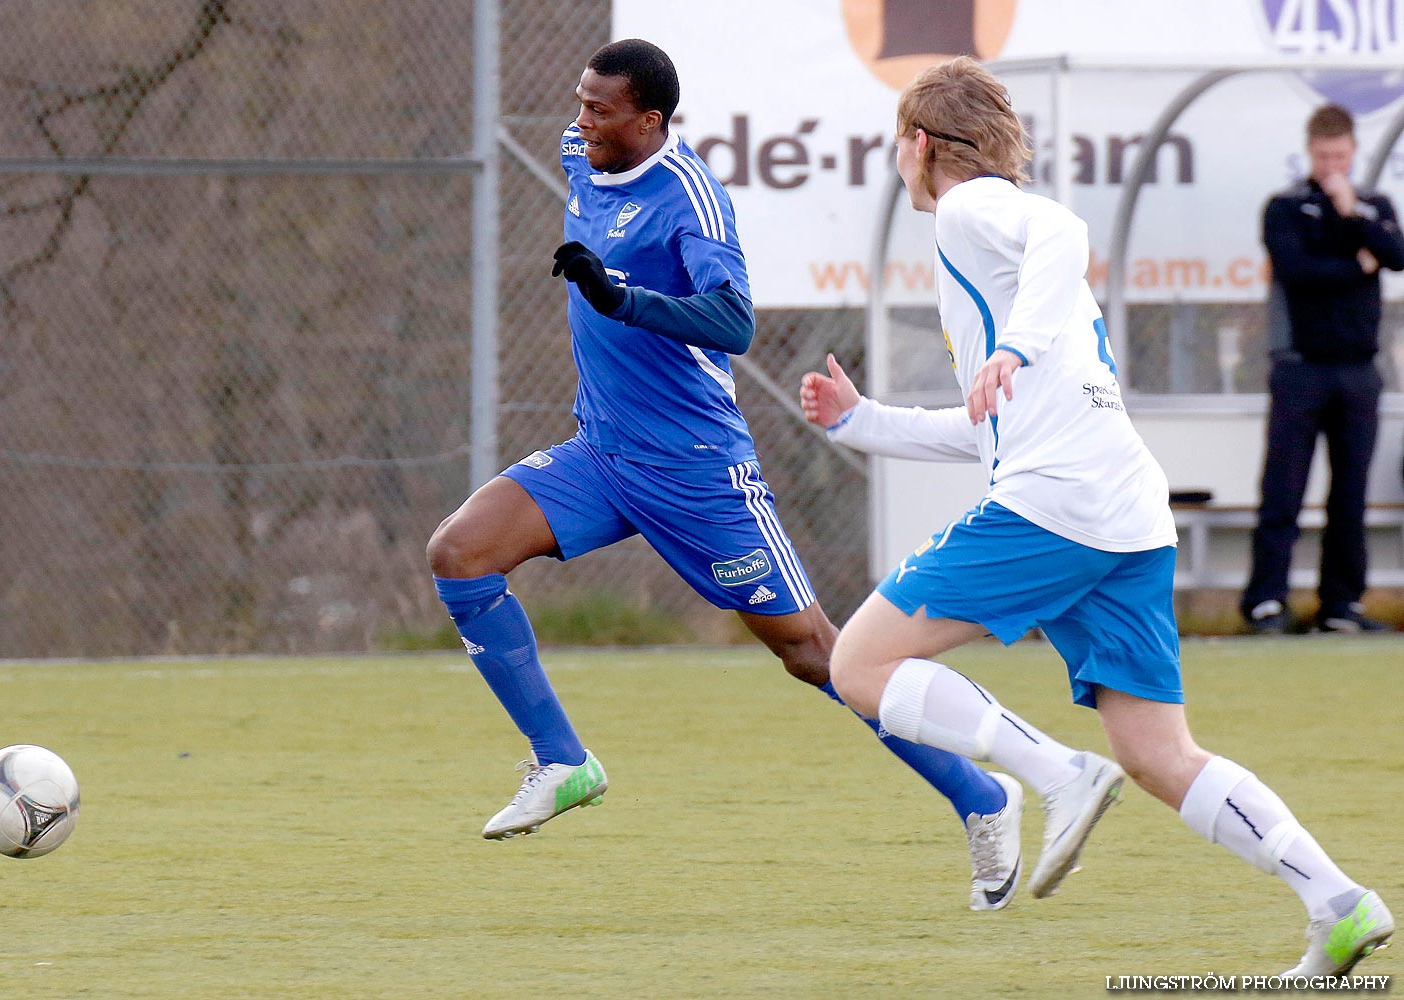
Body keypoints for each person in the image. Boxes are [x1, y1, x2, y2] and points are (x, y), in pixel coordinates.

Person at [799, 57, 1392, 975]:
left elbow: (1064, 230)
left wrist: (1017, 348)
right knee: (1160, 754)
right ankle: (1338, 901)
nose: (898, 164)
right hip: (1122, 514)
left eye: (897, 147)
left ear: (919, 146)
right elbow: (989, 427)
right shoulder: (1002, 269)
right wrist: (863, 421)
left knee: (860, 663)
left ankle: (1052, 775)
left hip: (1056, 505)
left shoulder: (972, 212)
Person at [426, 38, 1026, 911]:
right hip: (603, 453)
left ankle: (984, 797)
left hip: (699, 470)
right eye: (581, 103)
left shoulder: (692, 199)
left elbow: (734, 321)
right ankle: (563, 761)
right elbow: (581, 157)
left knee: (819, 656)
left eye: (600, 110)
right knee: (460, 553)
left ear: (651, 122)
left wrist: (620, 296)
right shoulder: (579, 154)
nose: (580, 121)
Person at [1241, 103, 1404, 635]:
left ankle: (1340, 606)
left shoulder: (1373, 206)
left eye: (1340, 156)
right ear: (1309, 152)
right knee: (1284, 490)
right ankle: (1266, 601)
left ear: (1354, 152)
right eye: (1323, 156)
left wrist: (1353, 213)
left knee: (1350, 494)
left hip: (1358, 371)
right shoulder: (1286, 207)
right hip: (1299, 370)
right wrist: (1357, 264)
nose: (1332, 164)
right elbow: (1299, 273)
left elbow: (1396, 254)